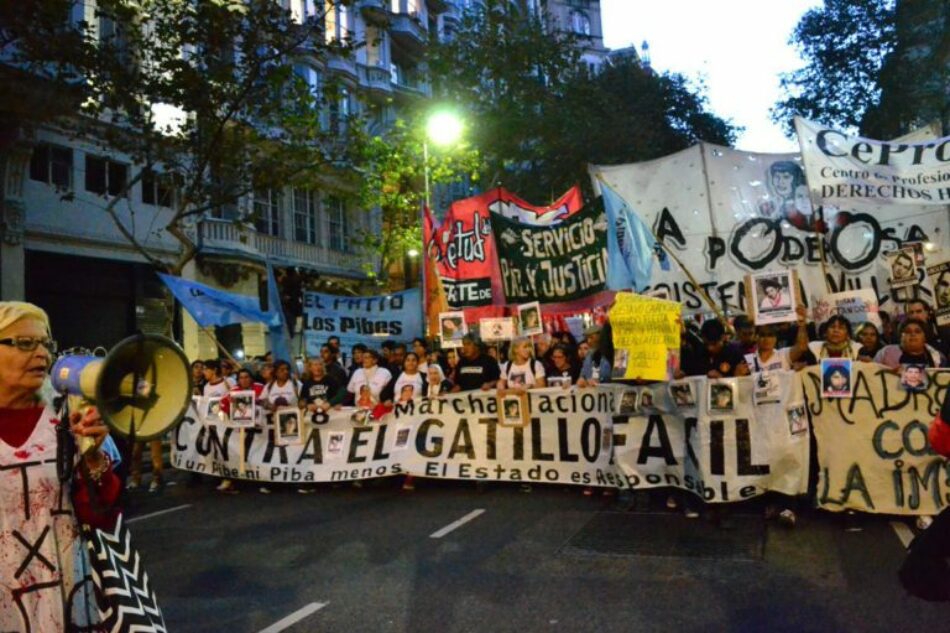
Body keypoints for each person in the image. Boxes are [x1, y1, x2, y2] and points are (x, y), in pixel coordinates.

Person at [0, 302, 120, 631]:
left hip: (65, 594)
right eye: (25, 343)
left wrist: (93, 457)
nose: (41, 353)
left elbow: (101, 516)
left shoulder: (67, 420)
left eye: (45, 344)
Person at [681, 319, 750, 378]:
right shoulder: (699, 354)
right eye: (706, 344)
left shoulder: (735, 354)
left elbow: (745, 381)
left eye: (714, 344)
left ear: (723, 337)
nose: (710, 348)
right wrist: (683, 375)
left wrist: (723, 378)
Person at [873, 318, 946, 369]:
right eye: (907, 331)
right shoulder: (886, 352)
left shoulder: (938, 357)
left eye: (917, 331)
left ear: (924, 337)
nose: (913, 334)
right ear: (901, 336)